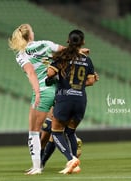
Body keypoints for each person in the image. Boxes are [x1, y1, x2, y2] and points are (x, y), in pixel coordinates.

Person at [8, 24, 63, 175]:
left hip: (43, 91)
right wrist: (79, 51)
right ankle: (43, 163)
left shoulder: (21, 54)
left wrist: (37, 93)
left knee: (33, 132)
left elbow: (32, 74)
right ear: (30, 34)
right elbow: (64, 52)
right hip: (57, 90)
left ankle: (37, 167)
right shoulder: (44, 45)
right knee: (54, 128)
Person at [46, 29, 98, 174]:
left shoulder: (63, 57)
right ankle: (75, 165)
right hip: (80, 99)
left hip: (65, 98)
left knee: (55, 132)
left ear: (68, 41)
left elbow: (50, 73)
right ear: (83, 42)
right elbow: (92, 80)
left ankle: (71, 159)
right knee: (70, 132)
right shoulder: (87, 59)